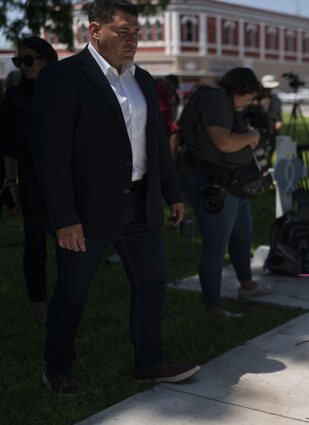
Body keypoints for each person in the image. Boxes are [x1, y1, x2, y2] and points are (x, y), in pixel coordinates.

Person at [32, 0, 199, 396]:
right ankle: (56, 369)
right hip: (86, 211)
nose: (133, 40)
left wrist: (172, 193)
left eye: (136, 33)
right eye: (123, 31)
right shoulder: (63, 77)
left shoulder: (142, 79)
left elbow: (156, 142)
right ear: (94, 31)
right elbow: (50, 157)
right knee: (73, 291)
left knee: (152, 284)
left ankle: (150, 362)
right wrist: (64, 217)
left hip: (141, 203)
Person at [179, 67, 273, 318]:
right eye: (248, 97)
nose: (248, 103)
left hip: (231, 183)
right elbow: (224, 142)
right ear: (238, 89)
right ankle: (212, 307)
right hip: (214, 184)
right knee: (215, 247)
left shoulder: (219, 100)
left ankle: (247, 286)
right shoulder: (216, 99)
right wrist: (252, 137)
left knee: (242, 235)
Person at [0, 37, 58, 325]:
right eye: (17, 61)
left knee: (70, 243)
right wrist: (11, 184)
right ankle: (40, 304)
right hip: (31, 179)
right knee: (34, 244)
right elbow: (7, 145)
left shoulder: (64, 92)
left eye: (27, 60)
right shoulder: (13, 96)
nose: (22, 66)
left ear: (46, 60)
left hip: (62, 178)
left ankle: (66, 300)